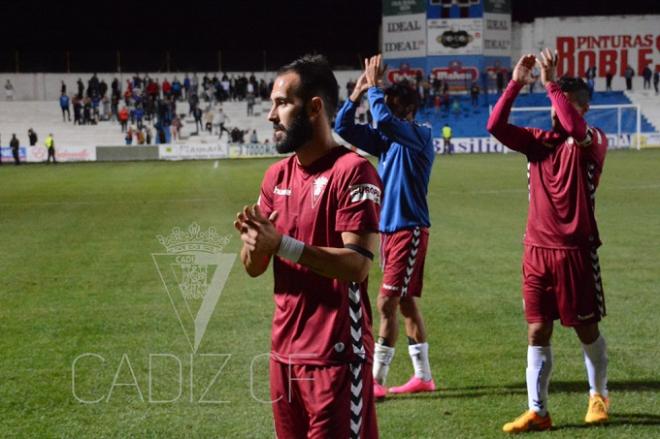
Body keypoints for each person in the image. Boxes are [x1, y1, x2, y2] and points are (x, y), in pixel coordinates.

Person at [234, 54, 380, 439]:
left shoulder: (352, 171)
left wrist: (280, 243)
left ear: (314, 106)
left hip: (336, 358)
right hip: (283, 356)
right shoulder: (275, 176)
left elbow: (357, 265)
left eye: (282, 103)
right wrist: (255, 243)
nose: (271, 115)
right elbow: (253, 267)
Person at [487, 49, 610, 433]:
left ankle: (598, 395)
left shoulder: (592, 141)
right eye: (556, 103)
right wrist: (515, 85)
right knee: (537, 330)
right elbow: (494, 124)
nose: (558, 110)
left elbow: (574, 128)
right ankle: (538, 410)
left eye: (568, 104)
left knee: (585, 328)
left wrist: (551, 83)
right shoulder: (537, 142)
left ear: (584, 107)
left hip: (575, 251)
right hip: (536, 251)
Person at [335, 54, 436, 400]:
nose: (386, 113)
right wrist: (358, 93)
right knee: (405, 303)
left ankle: (375, 381)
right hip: (390, 230)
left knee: (385, 303)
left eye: (392, 106)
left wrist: (377, 90)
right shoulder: (389, 140)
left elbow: (384, 120)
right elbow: (343, 128)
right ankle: (423, 377)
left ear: (406, 109)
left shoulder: (419, 134)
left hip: (409, 229)